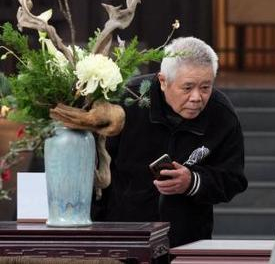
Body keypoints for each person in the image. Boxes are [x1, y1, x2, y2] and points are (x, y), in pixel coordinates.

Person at [97, 37, 248, 247]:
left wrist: (193, 181)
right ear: (163, 81)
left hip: (188, 240)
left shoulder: (221, 114)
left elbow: (234, 179)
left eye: (205, 87)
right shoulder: (128, 101)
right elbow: (97, 168)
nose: (197, 97)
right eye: (187, 88)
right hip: (123, 234)